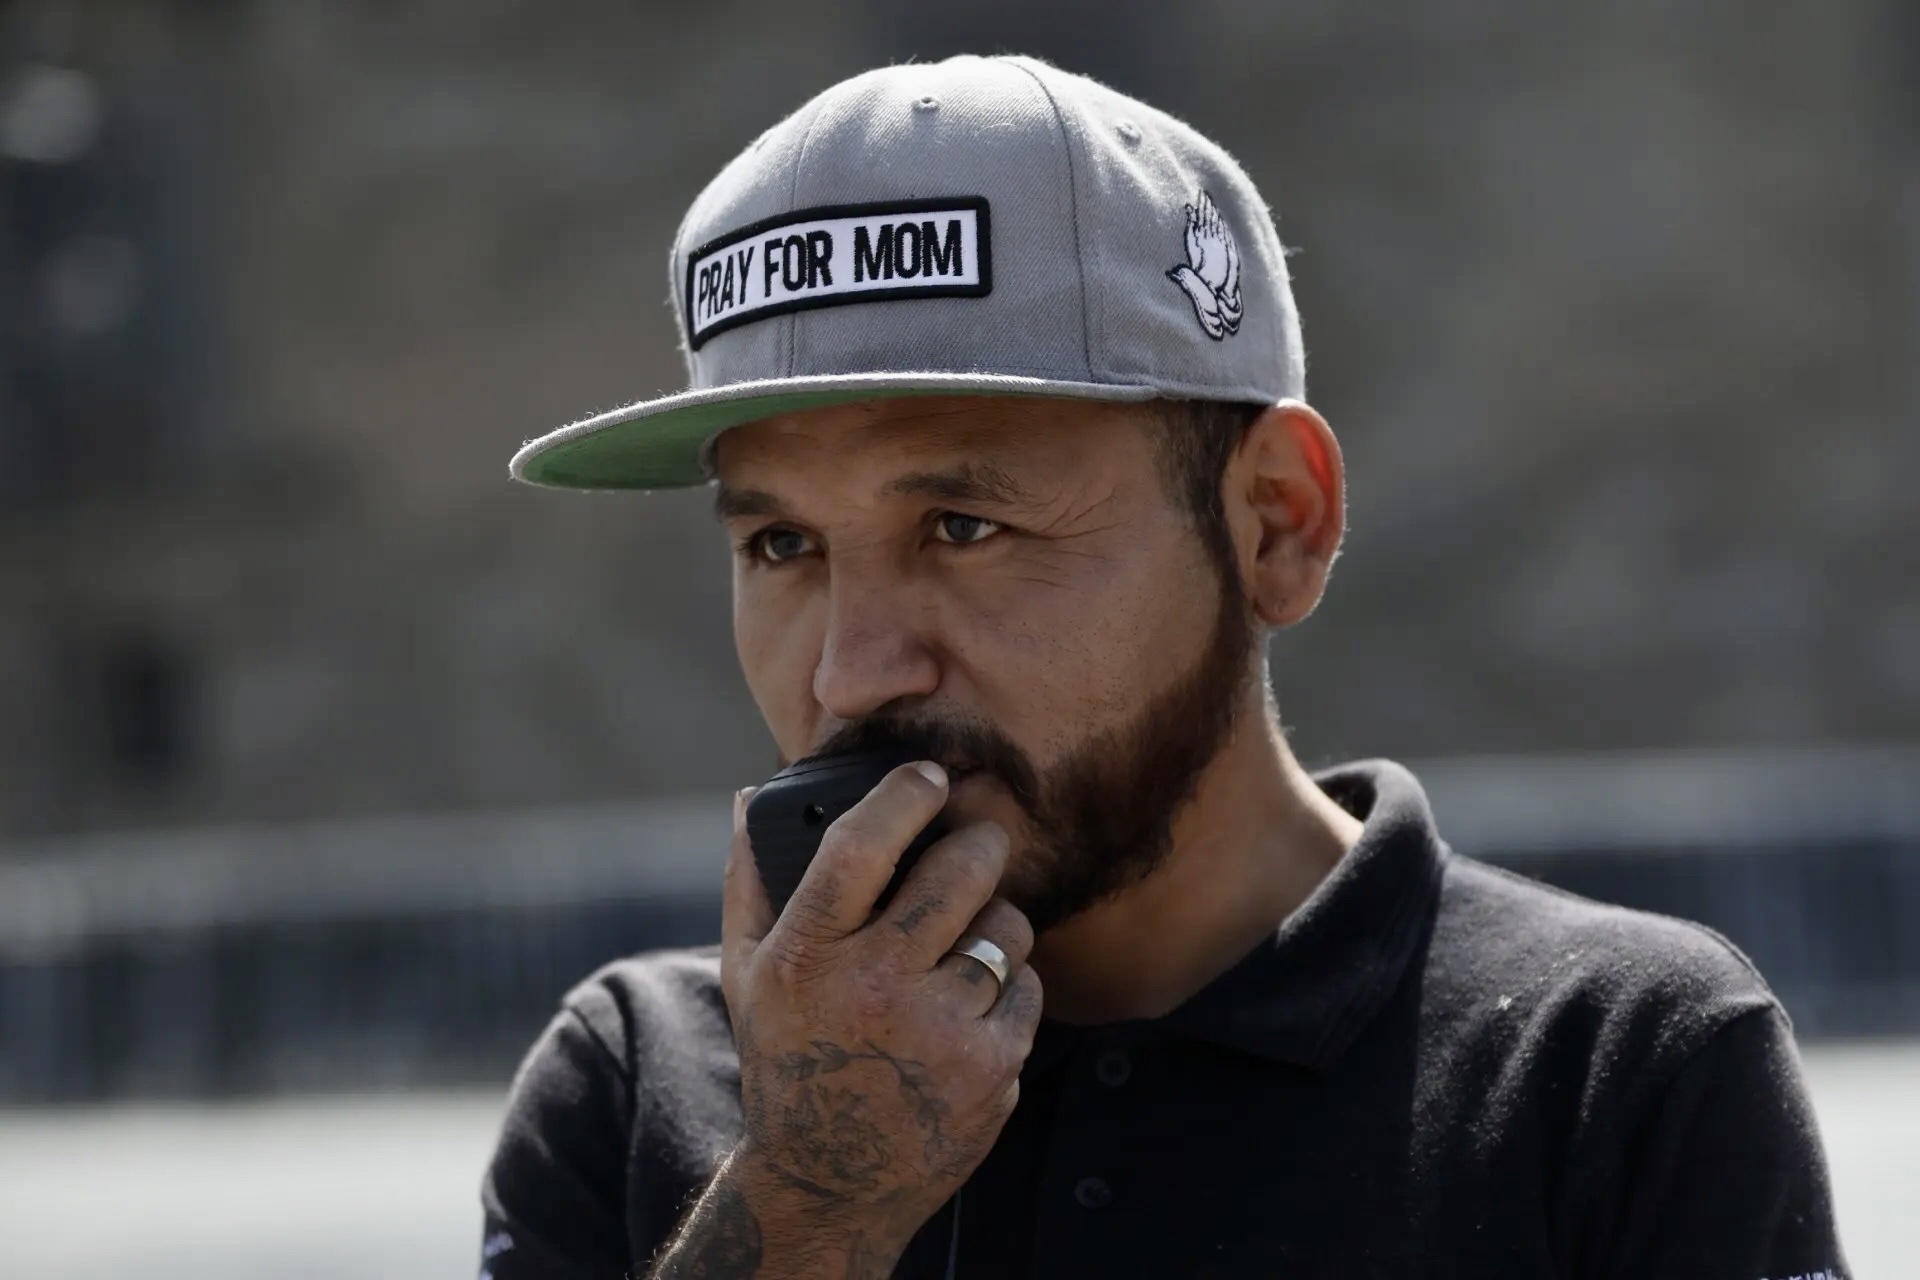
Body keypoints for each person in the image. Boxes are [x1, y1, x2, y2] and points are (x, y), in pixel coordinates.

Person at [480, 55, 1846, 1280]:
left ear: (1275, 524)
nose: (852, 674)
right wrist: (812, 1205)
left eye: (964, 526)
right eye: (782, 544)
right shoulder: (633, 1084)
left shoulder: (1613, 1070)